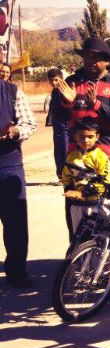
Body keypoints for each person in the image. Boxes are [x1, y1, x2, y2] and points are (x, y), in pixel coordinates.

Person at [51, 37, 110, 259]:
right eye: (87, 56)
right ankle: (79, 254)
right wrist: (67, 101)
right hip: (77, 156)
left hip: (109, 154)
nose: (91, 61)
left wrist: (96, 104)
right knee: (76, 204)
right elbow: (57, 117)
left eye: (97, 58)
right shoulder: (73, 82)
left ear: (106, 61)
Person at [0, 72, 36, 288]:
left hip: (9, 166)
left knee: (15, 224)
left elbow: (29, 124)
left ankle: (16, 271)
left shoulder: (12, 91)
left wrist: (13, 131)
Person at [61, 118, 110, 241]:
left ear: (97, 136)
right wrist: (69, 190)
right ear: (75, 136)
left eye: (90, 136)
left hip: (94, 203)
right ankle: (79, 260)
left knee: (95, 235)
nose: (86, 140)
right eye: (81, 136)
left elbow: (105, 181)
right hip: (76, 204)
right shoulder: (71, 156)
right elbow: (66, 177)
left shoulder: (101, 157)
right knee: (77, 235)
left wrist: (83, 193)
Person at [46, 68, 71, 180]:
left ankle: (66, 175)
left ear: (61, 79)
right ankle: (61, 175)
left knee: (65, 150)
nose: (54, 83)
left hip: (66, 125)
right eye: (51, 81)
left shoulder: (66, 90)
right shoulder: (54, 91)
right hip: (57, 125)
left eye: (56, 80)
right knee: (58, 151)